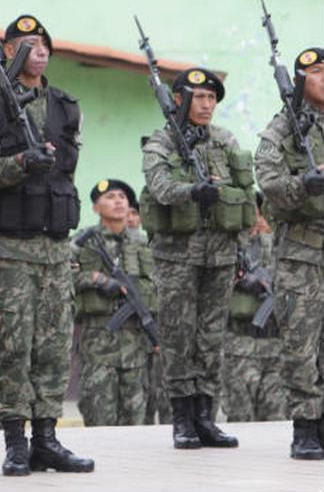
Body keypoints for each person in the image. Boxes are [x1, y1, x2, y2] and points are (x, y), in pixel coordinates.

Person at [0, 15, 93, 475]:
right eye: (26, 44)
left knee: (54, 348)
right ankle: (15, 442)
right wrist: (22, 160)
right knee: (13, 346)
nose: (37, 50)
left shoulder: (65, 105)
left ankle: (46, 438)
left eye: (42, 44)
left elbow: (69, 167)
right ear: (8, 52)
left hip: (57, 249)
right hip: (11, 249)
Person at [141, 67, 255, 449]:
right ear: (178, 100)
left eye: (211, 98)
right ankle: (182, 419)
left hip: (221, 253)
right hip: (177, 256)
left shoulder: (225, 141)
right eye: (198, 97)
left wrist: (240, 248)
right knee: (178, 336)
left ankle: (206, 416)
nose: (206, 105)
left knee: (210, 338)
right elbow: (159, 187)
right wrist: (193, 191)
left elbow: (244, 192)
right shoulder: (161, 142)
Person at [255, 47, 324, 459]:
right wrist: (305, 185)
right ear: (300, 80)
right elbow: (268, 178)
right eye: (317, 71)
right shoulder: (282, 128)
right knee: (301, 344)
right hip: (300, 250)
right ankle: (306, 426)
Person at [73, 179, 157, 426]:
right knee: (99, 419)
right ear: (96, 208)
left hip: (136, 346)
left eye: (122, 196)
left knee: (135, 421)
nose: (118, 201)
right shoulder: (82, 242)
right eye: (110, 197)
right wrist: (94, 278)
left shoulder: (143, 243)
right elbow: (60, 275)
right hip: (98, 346)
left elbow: (160, 284)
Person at [219, 196, 285, 423]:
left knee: (276, 416)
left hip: (276, 347)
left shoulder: (279, 246)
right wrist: (238, 280)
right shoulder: (225, 248)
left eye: (254, 211)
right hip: (238, 345)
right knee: (240, 416)